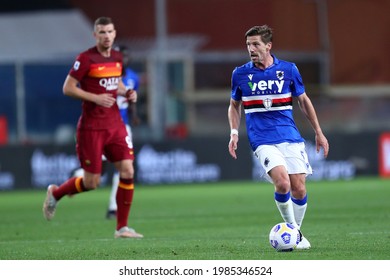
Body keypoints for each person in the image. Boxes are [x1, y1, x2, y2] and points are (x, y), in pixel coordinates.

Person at [227, 25, 329, 249]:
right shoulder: (240, 74)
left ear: (268, 46)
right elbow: (234, 106)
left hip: (290, 136)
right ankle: (293, 232)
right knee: (282, 183)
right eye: (248, 45)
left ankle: (296, 234)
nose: (251, 49)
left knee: (299, 188)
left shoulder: (289, 70)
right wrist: (234, 133)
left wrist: (318, 132)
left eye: (255, 44)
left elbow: (303, 101)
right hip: (262, 139)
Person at [42, 17, 143, 239]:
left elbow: (115, 81)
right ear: (95, 35)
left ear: (114, 33)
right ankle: (56, 193)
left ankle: (122, 228)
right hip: (92, 127)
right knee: (92, 182)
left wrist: (126, 92)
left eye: (109, 31)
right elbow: (68, 88)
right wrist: (95, 98)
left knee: (127, 170)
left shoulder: (117, 58)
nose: (106, 36)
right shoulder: (86, 59)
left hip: (115, 124)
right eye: (102, 32)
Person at [70, 45, 141, 220]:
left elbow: (129, 96)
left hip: (122, 126)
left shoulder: (133, 77)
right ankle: (73, 180)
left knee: (124, 169)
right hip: (100, 126)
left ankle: (113, 208)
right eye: (121, 55)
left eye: (125, 55)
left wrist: (134, 113)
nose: (123, 58)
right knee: (96, 174)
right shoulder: (100, 70)